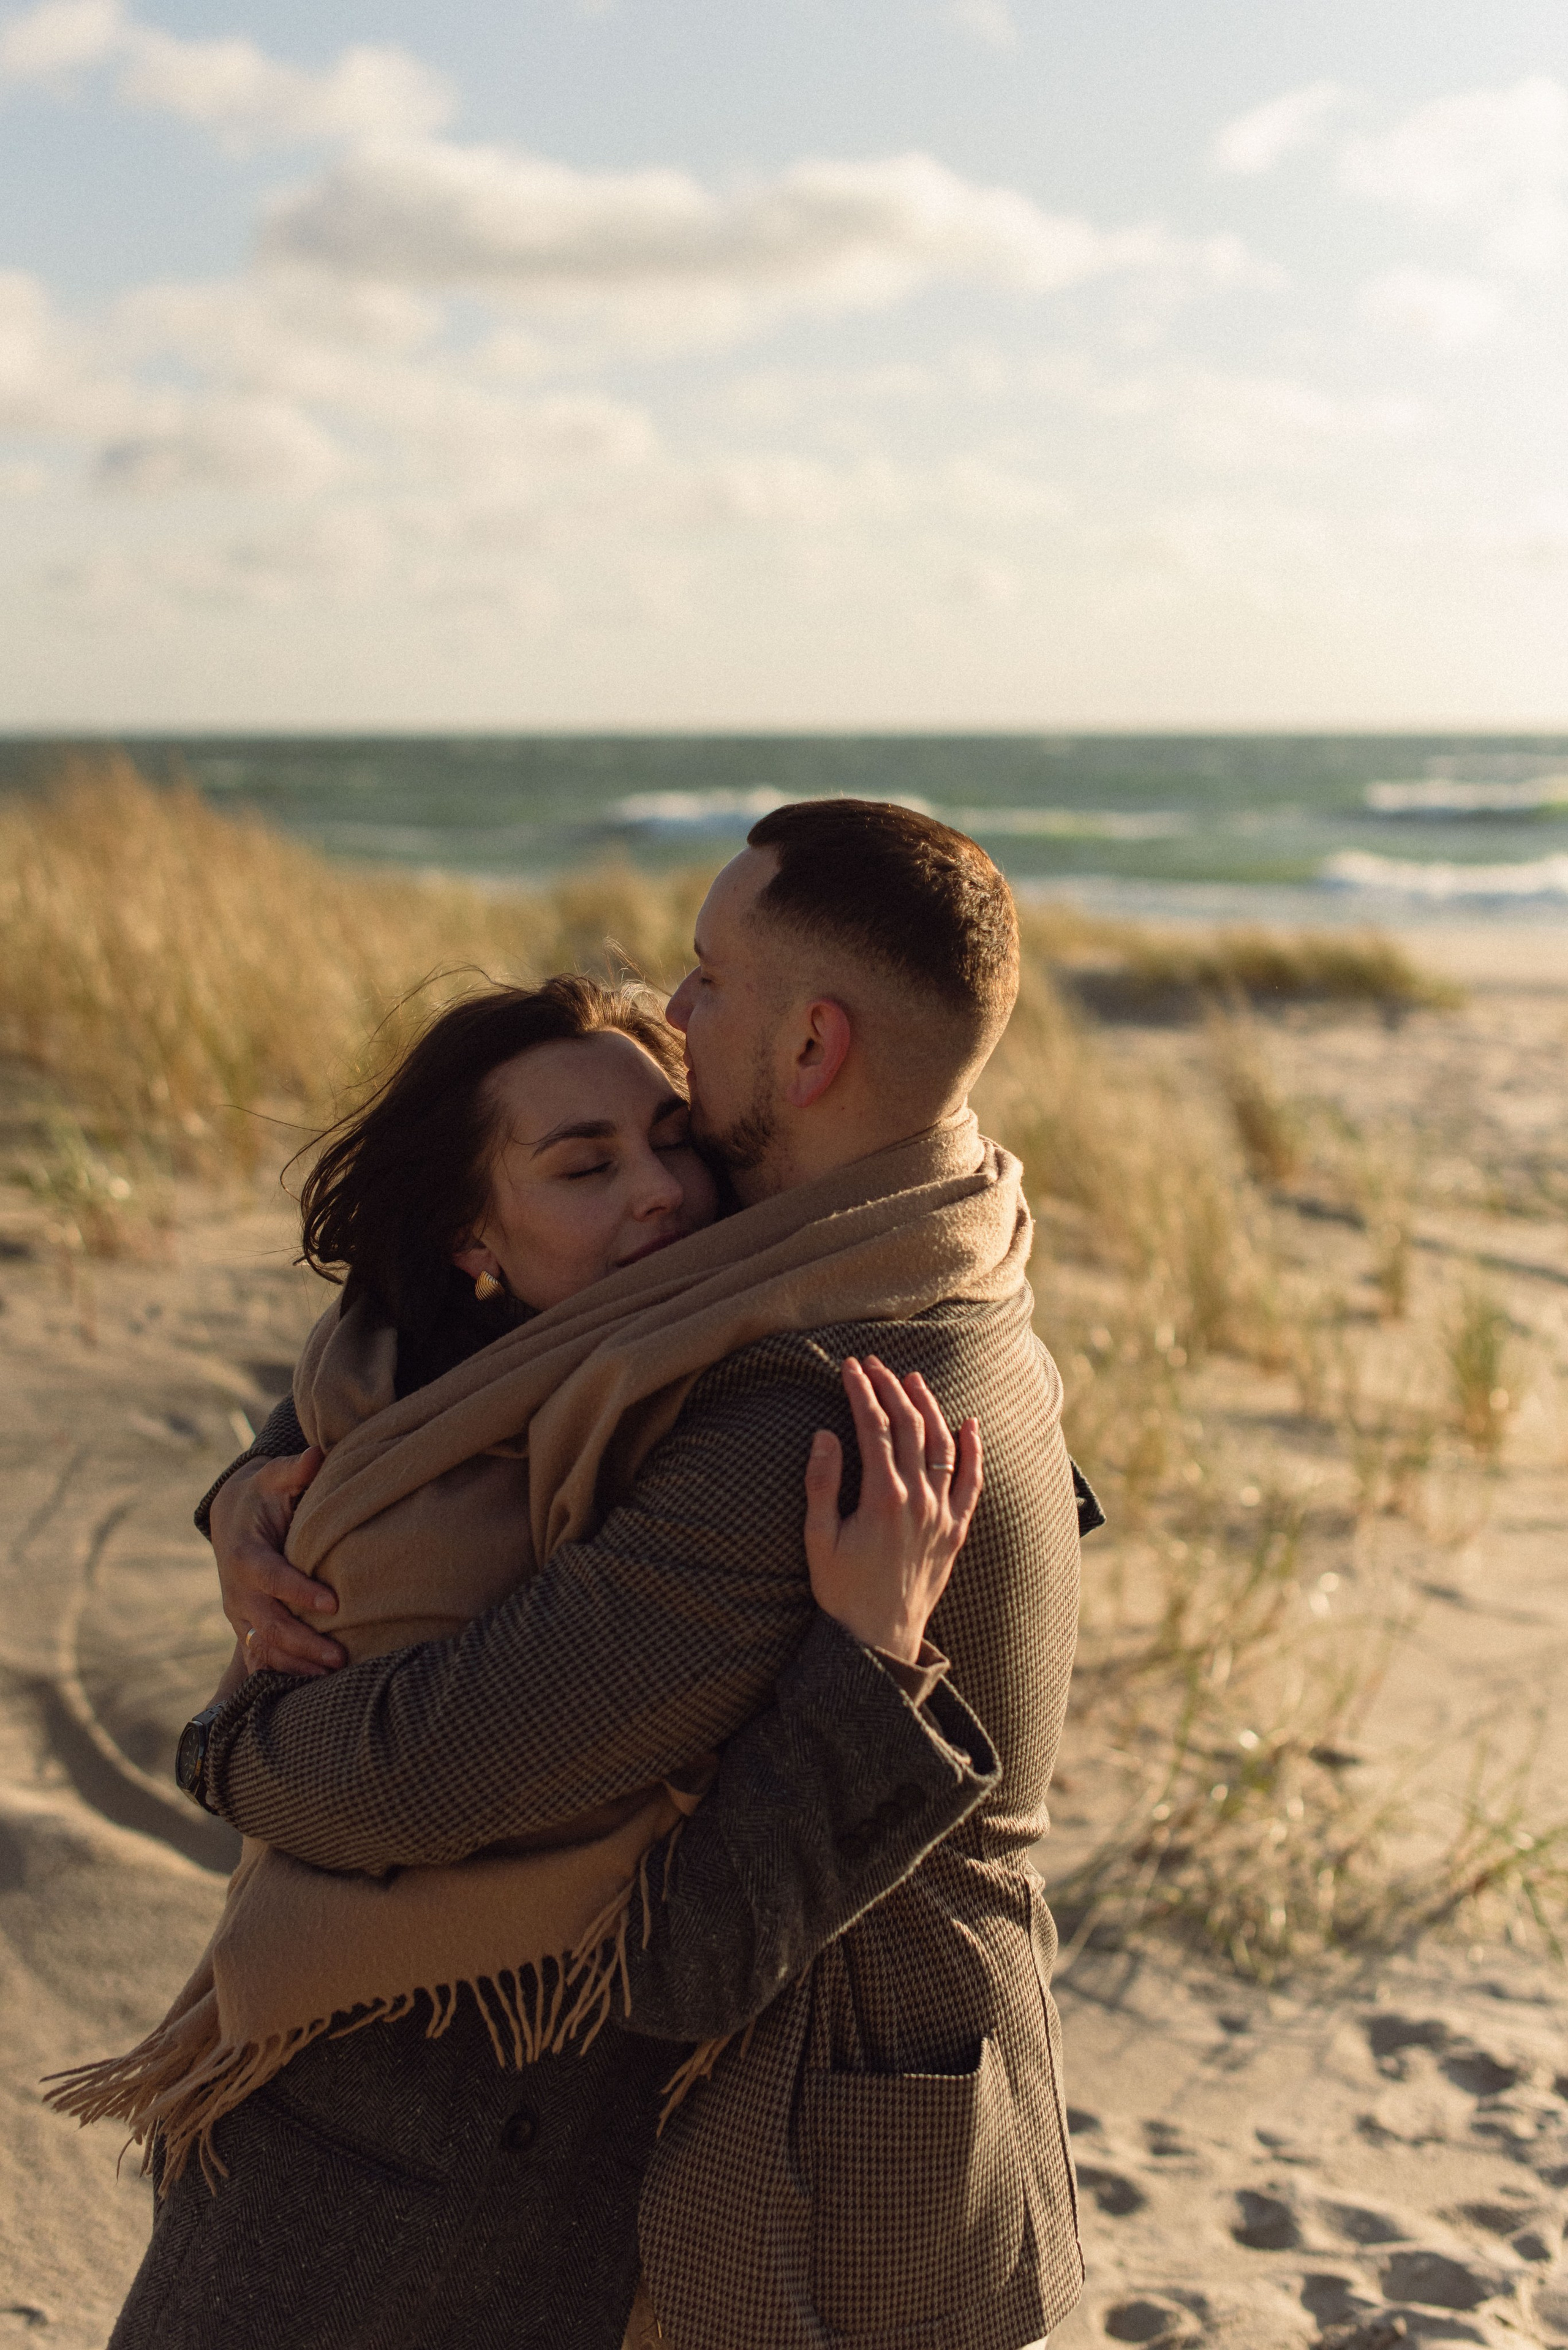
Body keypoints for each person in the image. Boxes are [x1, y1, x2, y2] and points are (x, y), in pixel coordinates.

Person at [196, 800, 1086, 2349]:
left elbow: (420, 1775)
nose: (675, 1013)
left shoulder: (817, 1397)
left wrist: (231, 1744)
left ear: (810, 1047)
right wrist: (245, 1493)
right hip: (910, 2104)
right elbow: (479, 1335)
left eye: (708, 975)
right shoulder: (917, 1219)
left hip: (831, 2133)